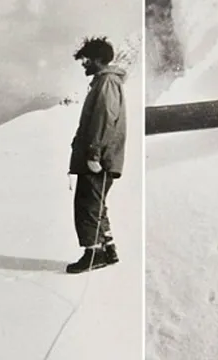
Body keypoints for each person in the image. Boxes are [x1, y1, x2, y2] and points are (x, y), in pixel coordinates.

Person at [66, 36, 128, 274]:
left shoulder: (107, 83)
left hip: (99, 158)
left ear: (99, 60)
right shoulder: (105, 82)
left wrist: (93, 153)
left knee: (87, 204)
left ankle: (94, 254)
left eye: (87, 60)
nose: (84, 64)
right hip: (103, 157)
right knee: (96, 203)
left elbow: (105, 118)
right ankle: (108, 249)